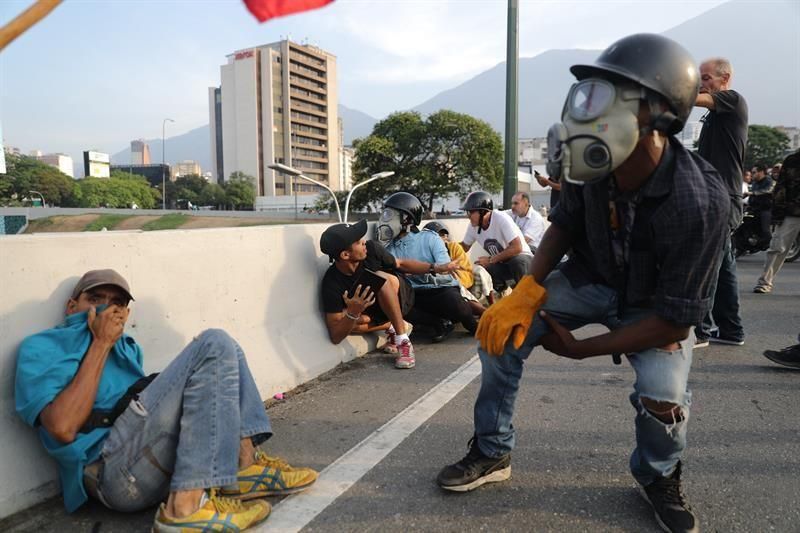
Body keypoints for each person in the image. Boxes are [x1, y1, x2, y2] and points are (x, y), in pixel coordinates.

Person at [437, 34, 728, 533]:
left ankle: (657, 474)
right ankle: (492, 450)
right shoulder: (590, 166)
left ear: (660, 115)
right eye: (590, 95)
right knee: (499, 333)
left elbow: (676, 323)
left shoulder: (700, 201)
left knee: (665, 398)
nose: (589, 113)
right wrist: (527, 292)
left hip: (654, 310)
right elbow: (565, 225)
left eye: (612, 97)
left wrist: (583, 351)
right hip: (589, 277)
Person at [15, 269, 317, 531]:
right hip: (111, 473)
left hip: (147, 460)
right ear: (72, 306)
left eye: (117, 303)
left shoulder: (127, 349)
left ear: (126, 314)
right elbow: (62, 428)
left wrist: (112, 344)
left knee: (228, 348)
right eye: (96, 299)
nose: (107, 308)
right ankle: (184, 509)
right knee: (213, 341)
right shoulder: (42, 347)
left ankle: (243, 465)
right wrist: (101, 342)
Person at [694, 56, 748, 348]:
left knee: (707, 265)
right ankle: (731, 330)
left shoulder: (732, 100)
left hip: (722, 199)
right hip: (714, 197)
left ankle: (701, 330)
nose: (702, 83)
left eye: (706, 77)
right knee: (724, 268)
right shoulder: (715, 115)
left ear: (724, 78)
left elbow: (691, 99)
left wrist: (674, 84)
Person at [378, 192, 476, 343]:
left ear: (407, 219)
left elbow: (444, 274)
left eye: (391, 215)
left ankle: (472, 323)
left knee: (456, 305)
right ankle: (439, 323)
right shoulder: (388, 249)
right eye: (385, 214)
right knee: (397, 305)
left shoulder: (430, 238)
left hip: (439, 290)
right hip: (414, 295)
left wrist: (415, 272)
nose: (385, 219)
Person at [319, 218, 417, 369]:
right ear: (345, 255)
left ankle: (403, 340)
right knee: (348, 323)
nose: (364, 241)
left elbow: (400, 264)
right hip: (367, 309)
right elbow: (336, 335)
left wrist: (434, 268)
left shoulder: (371, 250)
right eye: (358, 242)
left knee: (381, 277)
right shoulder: (331, 282)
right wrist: (352, 312)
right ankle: (393, 325)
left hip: (398, 297)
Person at [460, 191, 534, 293]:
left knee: (517, 261)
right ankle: (503, 294)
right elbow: (464, 246)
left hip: (524, 261)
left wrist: (490, 260)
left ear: (483, 212)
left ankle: (528, 295)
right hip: (503, 263)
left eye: (471, 212)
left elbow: (517, 247)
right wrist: (446, 247)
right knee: (484, 268)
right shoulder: (474, 226)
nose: (468, 216)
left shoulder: (501, 218)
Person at [754, 150, 800, 294]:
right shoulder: (792, 160)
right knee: (777, 247)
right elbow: (780, 187)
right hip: (792, 211)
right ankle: (764, 282)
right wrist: (778, 213)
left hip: (791, 211)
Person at [423, 220, 489, 316]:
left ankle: (490, 306)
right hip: (443, 293)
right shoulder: (424, 253)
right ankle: (484, 313)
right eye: (438, 235)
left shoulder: (454, 247)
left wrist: (454, 277)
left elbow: (467, 272)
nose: (443, 238)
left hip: (468, 288)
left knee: (480, 271)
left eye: (444, 235)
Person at [746, 165, 776, 249]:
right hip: (754, 208)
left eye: (754, 172)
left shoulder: (769, 181)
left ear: (761, 172)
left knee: (765, 231)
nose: (752, 175)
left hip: (766, 209)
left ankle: (766, 242)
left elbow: (769, 190)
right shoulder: (754, 182)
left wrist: (753, 193)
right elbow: (751, 195)